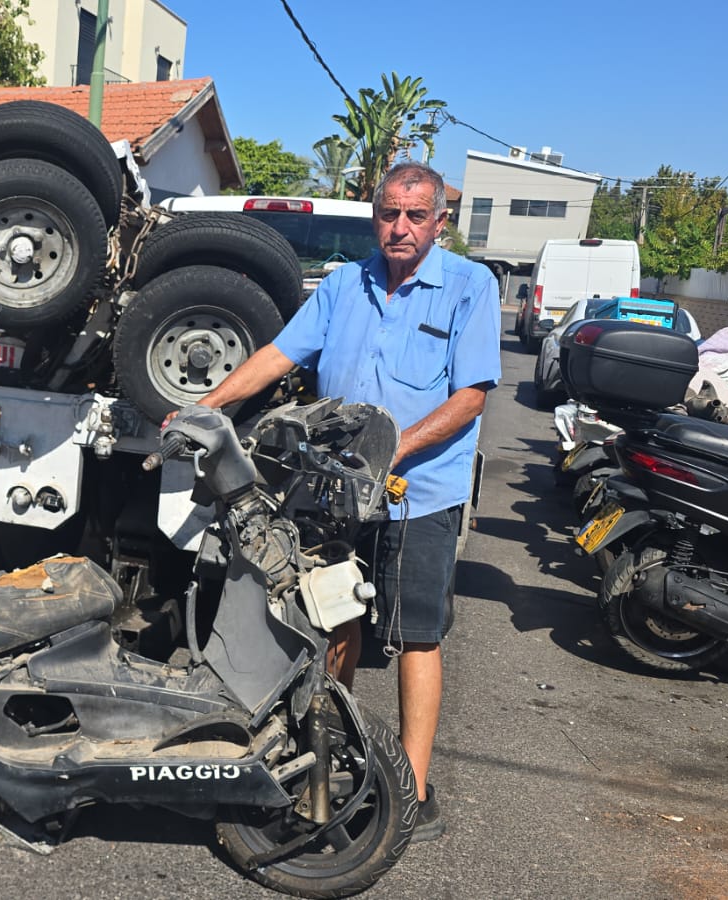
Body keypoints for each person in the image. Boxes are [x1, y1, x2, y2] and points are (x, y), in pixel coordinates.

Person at [173, 161, 501, 842]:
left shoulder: (471, 286)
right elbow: (278, 355)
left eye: (416, 215)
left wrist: (391, 452)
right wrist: (203, 406)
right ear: (373, 213)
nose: (400, 227)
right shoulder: (345, 286)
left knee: (415, 635)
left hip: (420, 493)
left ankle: (408, 791)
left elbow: (469, 398)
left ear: (441, 221)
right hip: (334, 493)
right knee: (329, 620)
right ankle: (323, 753)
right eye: (389, 213)